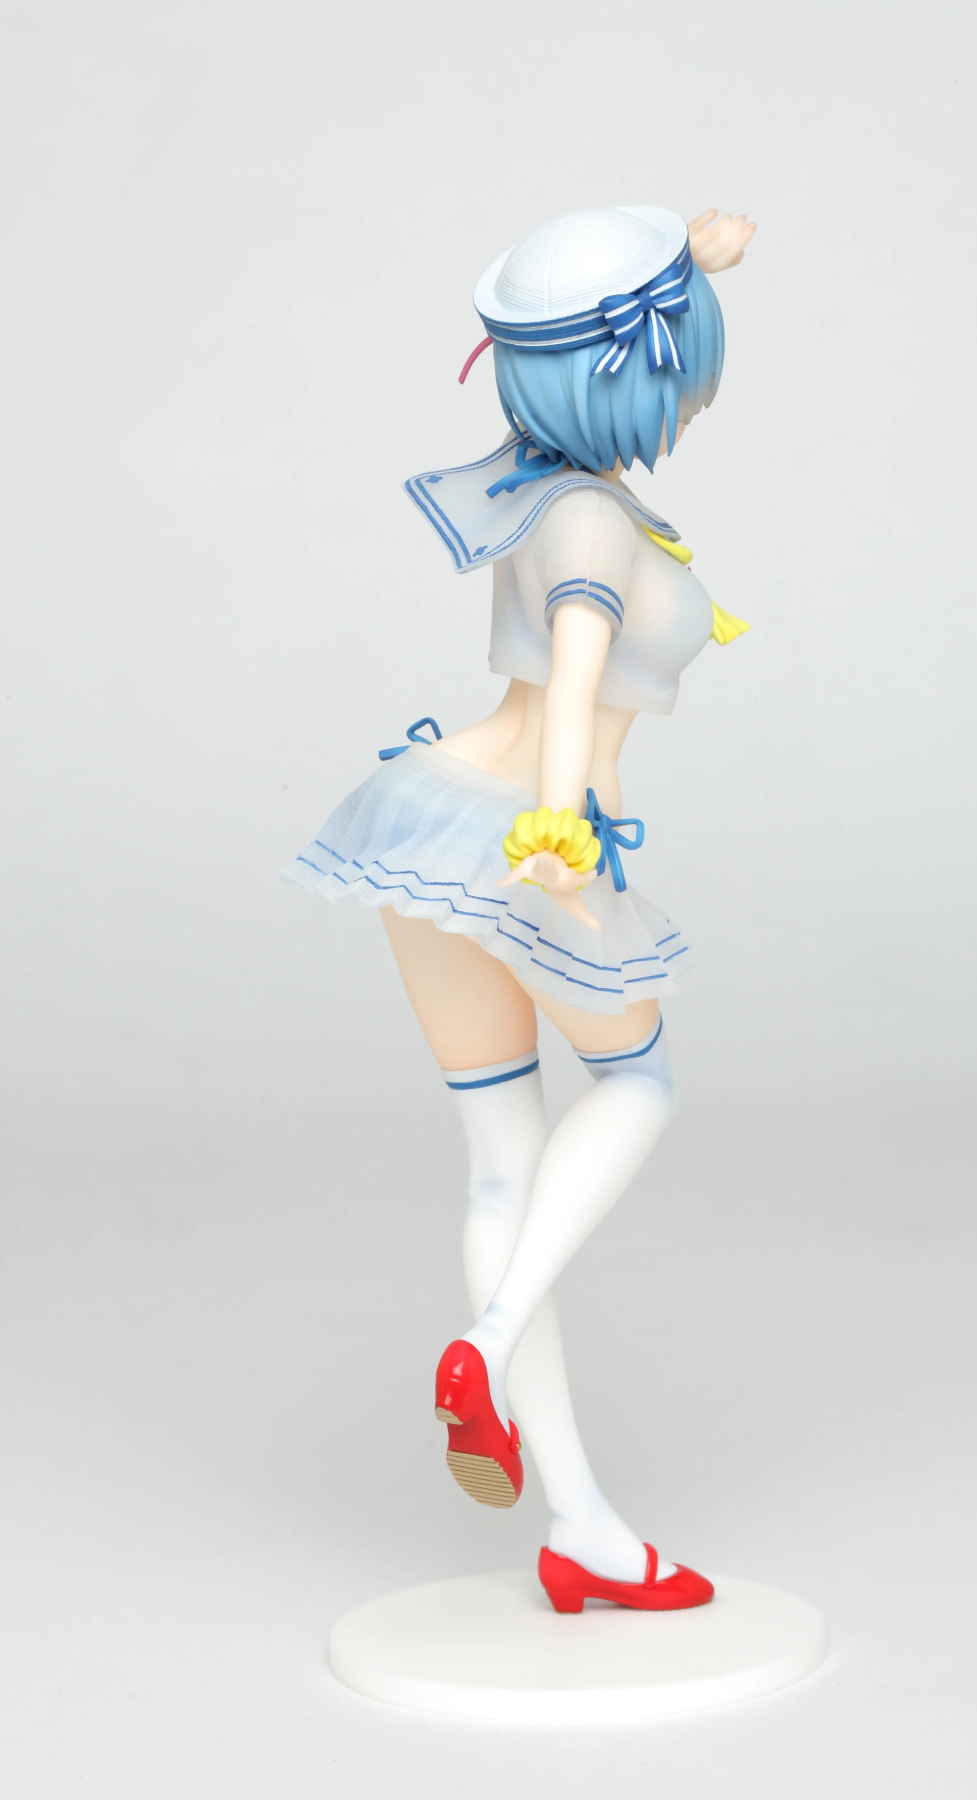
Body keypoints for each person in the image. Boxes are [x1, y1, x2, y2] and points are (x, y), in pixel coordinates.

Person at [282, 204, 756, 1613]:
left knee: (505, 1159)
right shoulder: (595, 516)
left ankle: (580, 1524)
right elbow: (578, 654)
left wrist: (697, 245)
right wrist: (559, 833)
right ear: (642, 370)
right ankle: (485, 1344)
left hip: (425, 811)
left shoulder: (539, 478)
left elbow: (601, 292)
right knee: (639, 1078)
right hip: (523, 834)